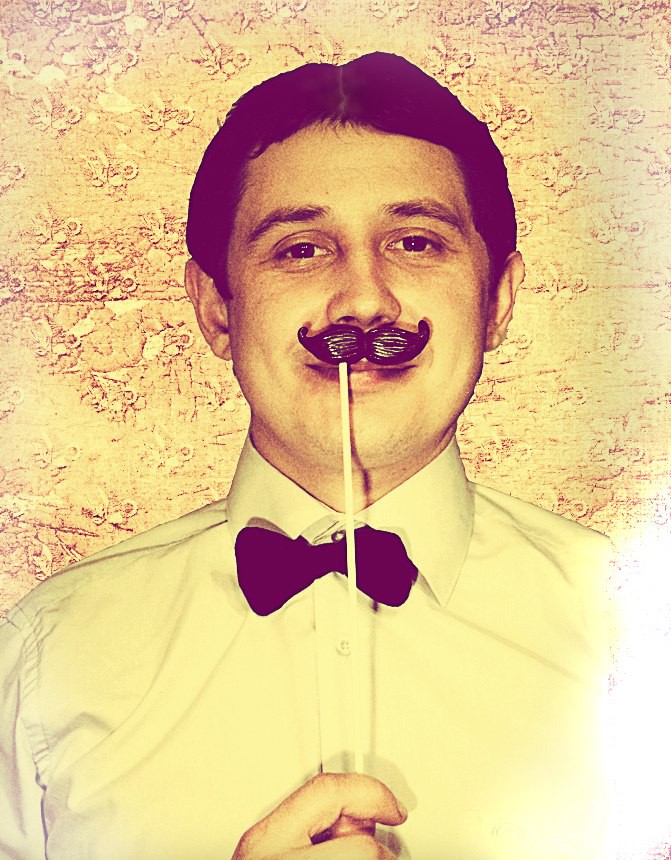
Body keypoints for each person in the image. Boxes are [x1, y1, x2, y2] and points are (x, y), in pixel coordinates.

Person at [0, 53, 611, 859]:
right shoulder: (45, 655)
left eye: (415, 242)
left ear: (495, 300)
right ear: (216, 310)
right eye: (299, 249)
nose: (363, 301)